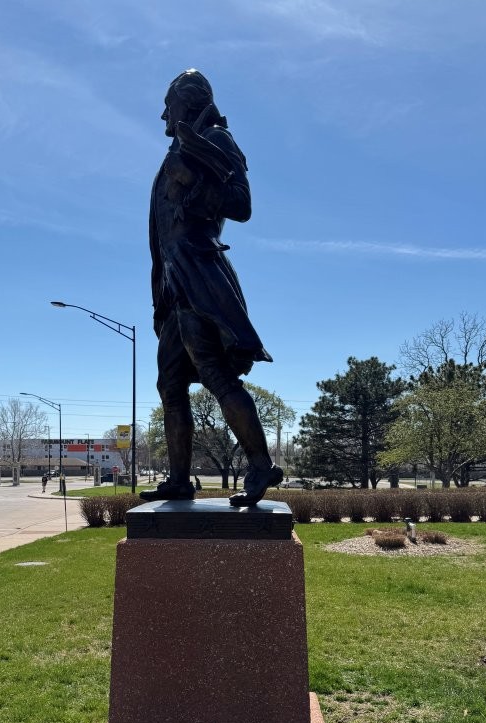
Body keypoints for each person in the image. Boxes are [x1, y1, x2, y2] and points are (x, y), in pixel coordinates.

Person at [140, 70, 283, 507]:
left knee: (217, 377)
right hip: (174, 282)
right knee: (170, 384)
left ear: (189, 102)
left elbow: (241, 205)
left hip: (199, 276)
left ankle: (261, 464)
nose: (164, 113)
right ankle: (180, 480)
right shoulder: (180, 145)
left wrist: (195, 183)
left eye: (170, 104)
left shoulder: (218, 140)